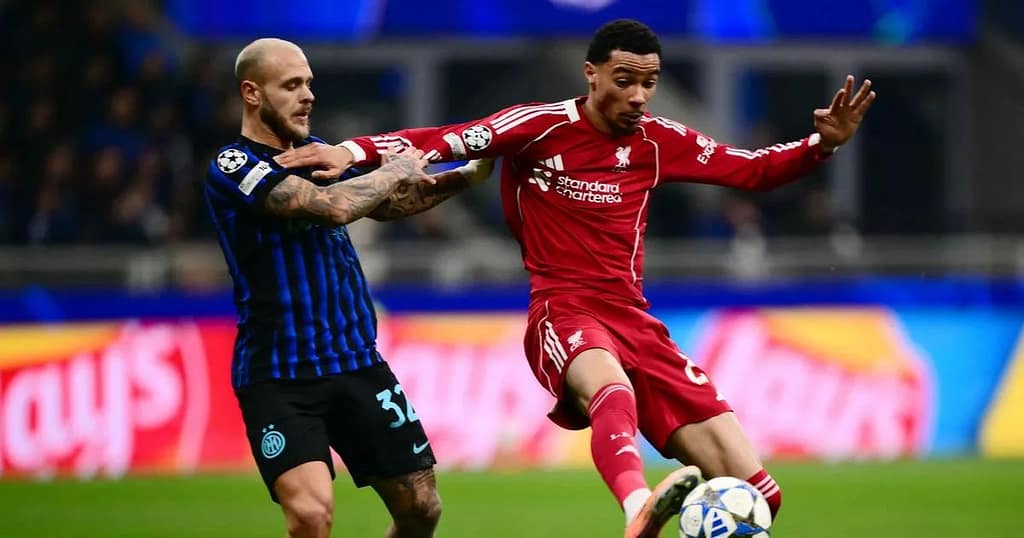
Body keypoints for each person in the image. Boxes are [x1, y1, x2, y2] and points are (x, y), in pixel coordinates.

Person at [276, 19, 876, 537]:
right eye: (625, 80)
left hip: (635, 319)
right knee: (610, 389)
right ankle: (638, 507)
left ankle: (669, 511)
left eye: (649, 82)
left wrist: (820, 146)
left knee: (758, 497)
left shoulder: (659, 141)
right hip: (563, 310)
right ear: (591, 74)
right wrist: (352, 153)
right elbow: (440, 140)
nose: (639, 95)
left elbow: (750, 171)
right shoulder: (539, 127)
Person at [205, 38, 491, 538]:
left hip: (356, 362)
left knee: (422, 508)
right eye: (291, 85)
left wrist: (468, 174)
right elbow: (333, 207)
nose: (307, 95)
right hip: (280, 375)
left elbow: (389, 201)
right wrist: (396, 167)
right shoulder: (234, 166)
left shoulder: (318, 155)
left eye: (309, 83)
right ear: (252, 93)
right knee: (311, 516)